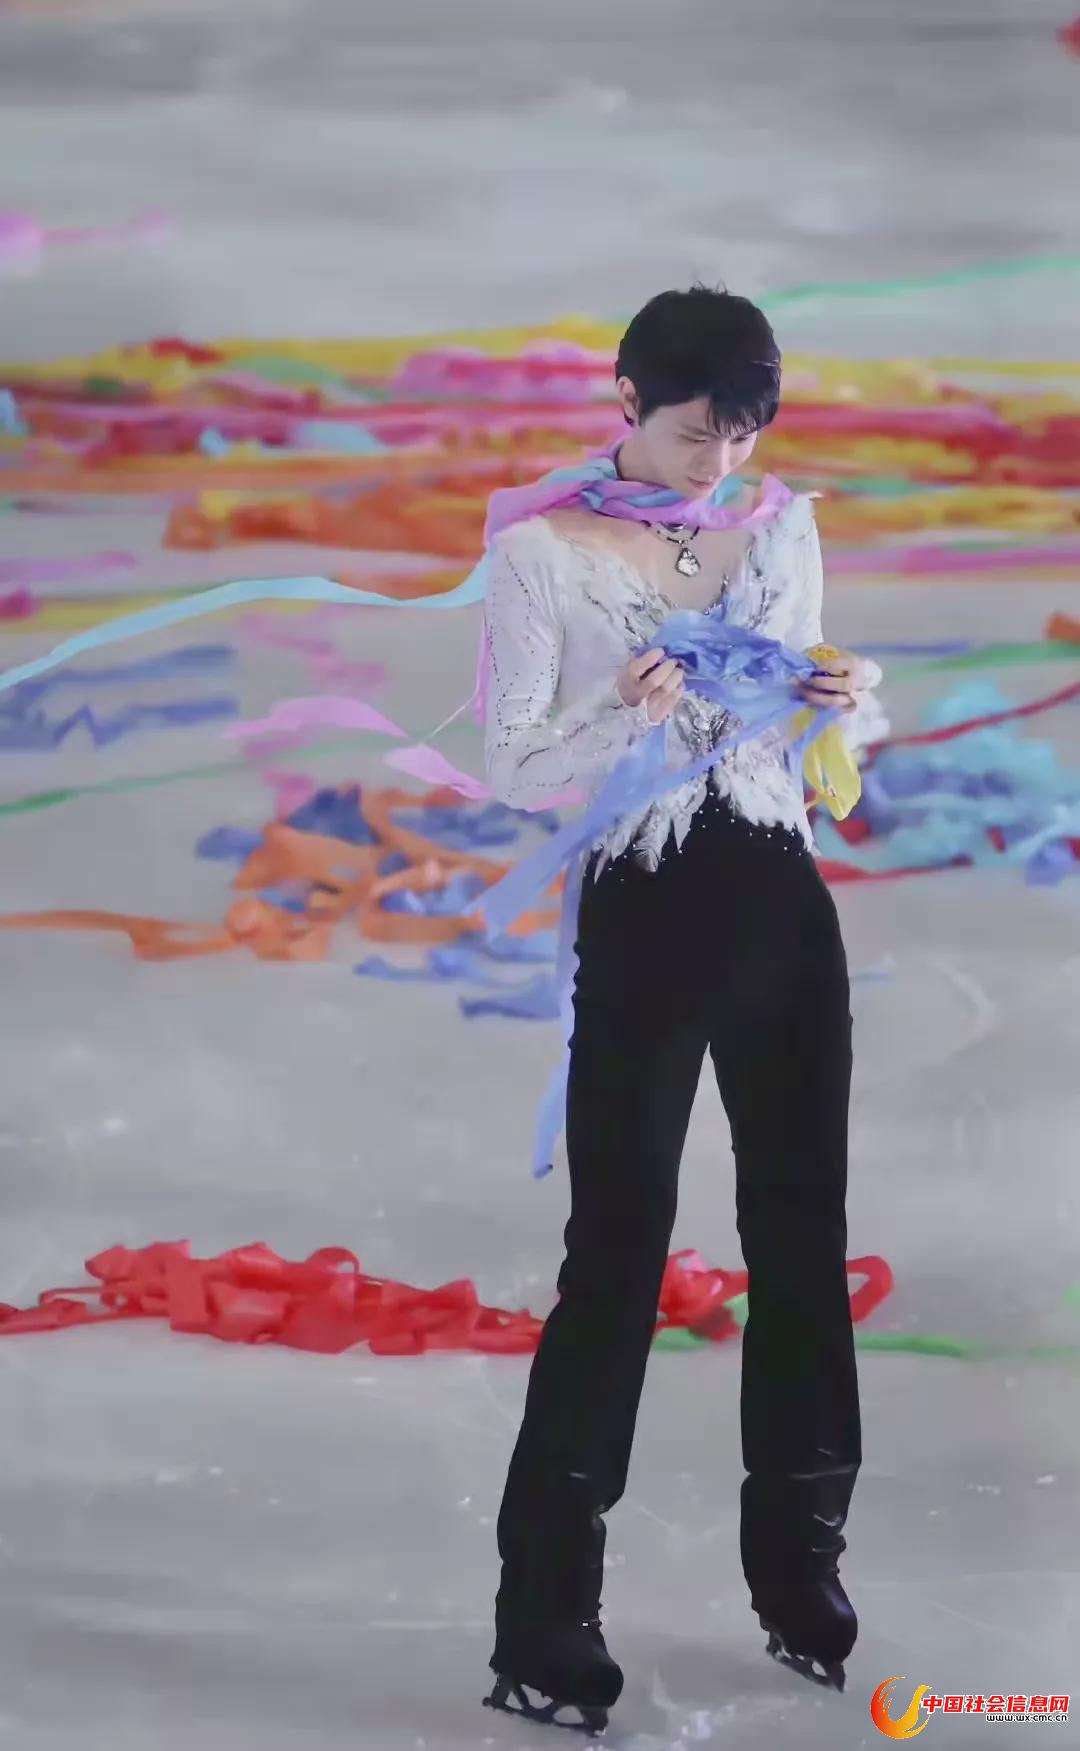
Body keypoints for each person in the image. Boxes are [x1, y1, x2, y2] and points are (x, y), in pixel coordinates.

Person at [479, 286, 882, 1734]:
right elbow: (515, 767)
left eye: (746, 433)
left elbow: (810, 741)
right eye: (698, 431)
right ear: (630, 401)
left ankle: (802, 1560)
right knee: (617, 1249)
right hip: (648, 911)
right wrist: (625, 717)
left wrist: (837, 699)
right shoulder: (539, 553)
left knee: (803, 1231)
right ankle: (545, 1616)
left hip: (781, 908)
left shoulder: (778, 528)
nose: (723, 460)